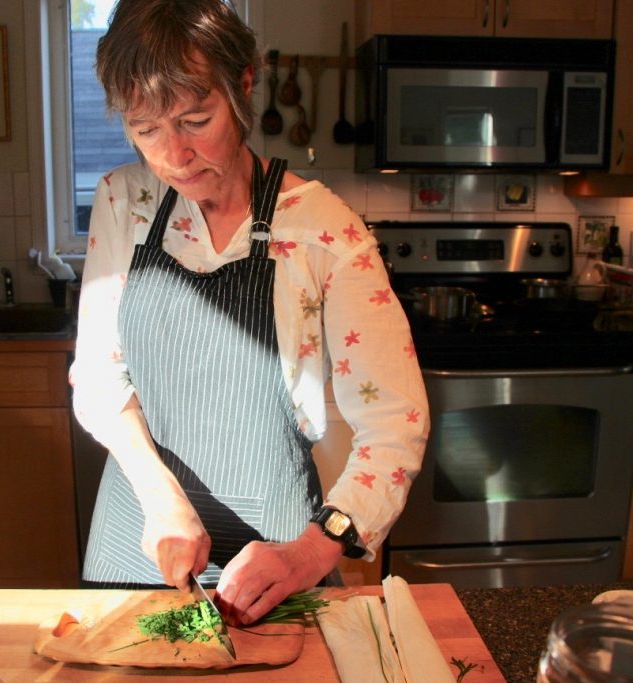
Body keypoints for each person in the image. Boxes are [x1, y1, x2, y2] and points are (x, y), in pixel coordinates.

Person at [69, 0, 429, 626]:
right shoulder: (123, 202)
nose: (174, 156)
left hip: (279, 558)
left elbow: (395, 429)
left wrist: (311, 552)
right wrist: (160, 499)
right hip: (140, 538)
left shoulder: (325, 234)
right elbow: (99, 379)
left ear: (243, 85)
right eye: (146, 129)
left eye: (195, 119)